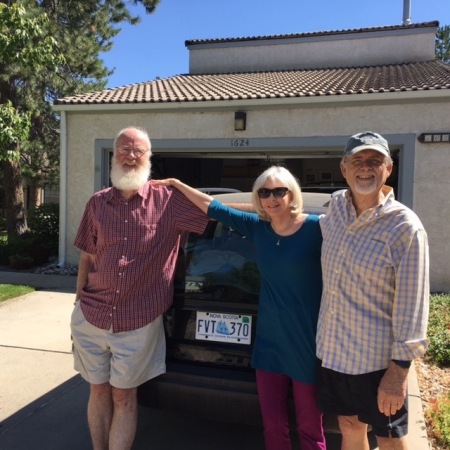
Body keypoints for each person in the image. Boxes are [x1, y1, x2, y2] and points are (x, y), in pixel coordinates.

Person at [154, 166, 326, 450]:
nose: (272, 198)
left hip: (306, 345)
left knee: (310, 428)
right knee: (273, 425)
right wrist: (176, 182)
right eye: (265, 192)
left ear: (291, 193)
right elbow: (214, 208)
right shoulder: (258, 228)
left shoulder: (316, 228)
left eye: (279, 191)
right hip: (269, 346)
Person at [70, 126, 208, 450]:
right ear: (114, 155)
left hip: (138, 319)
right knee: (97, 389)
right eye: (124, 149)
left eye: (138, 151)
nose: (131, 156)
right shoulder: (97, 203)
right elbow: (87, 256)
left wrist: (278, 208)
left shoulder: (170, 202)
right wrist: (77, 300)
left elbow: (219, 211)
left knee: (124, 395)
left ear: (149, 157)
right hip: (92, 316)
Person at [316, 131, 430, 450]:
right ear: (344, 168)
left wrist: (399, 372)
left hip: (377, 361)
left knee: (389, 437)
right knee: (349, 426)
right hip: (334, 352)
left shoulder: (404, 227)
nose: (365, 168)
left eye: (374, 161)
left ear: (388, 169)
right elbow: (287, 215)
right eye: (358, 161)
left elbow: (414, 306)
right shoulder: (335, 207)